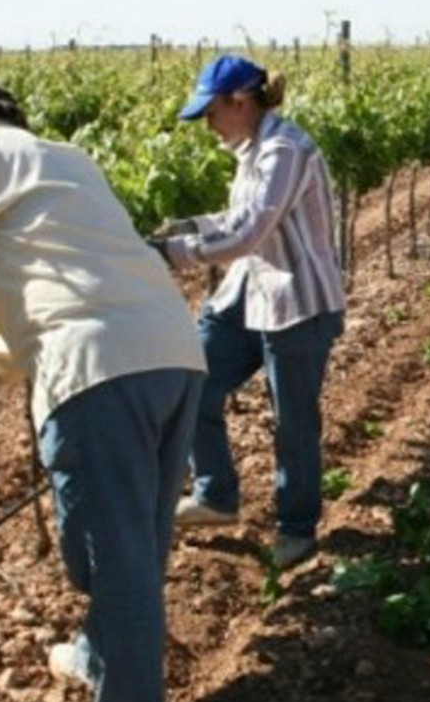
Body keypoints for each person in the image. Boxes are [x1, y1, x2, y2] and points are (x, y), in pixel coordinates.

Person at [0, 80, 206, 702]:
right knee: (140, 543)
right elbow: (60, 292)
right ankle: (100, 654)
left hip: (99, 372)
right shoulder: (65, 158)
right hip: (171, 353)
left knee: (111, 561)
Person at [145, 55, 346, 569]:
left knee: (293, 421)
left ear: (241, 101)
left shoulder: (284, 151)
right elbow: (236, 217)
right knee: (191, 381)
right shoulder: (252, 150)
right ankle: (216, 495)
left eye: (211, 113)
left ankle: (297, 530)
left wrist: (172, 255)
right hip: (248, 293)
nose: (208, 126)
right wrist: (184, 226)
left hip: (297, 302)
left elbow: (249, 233)